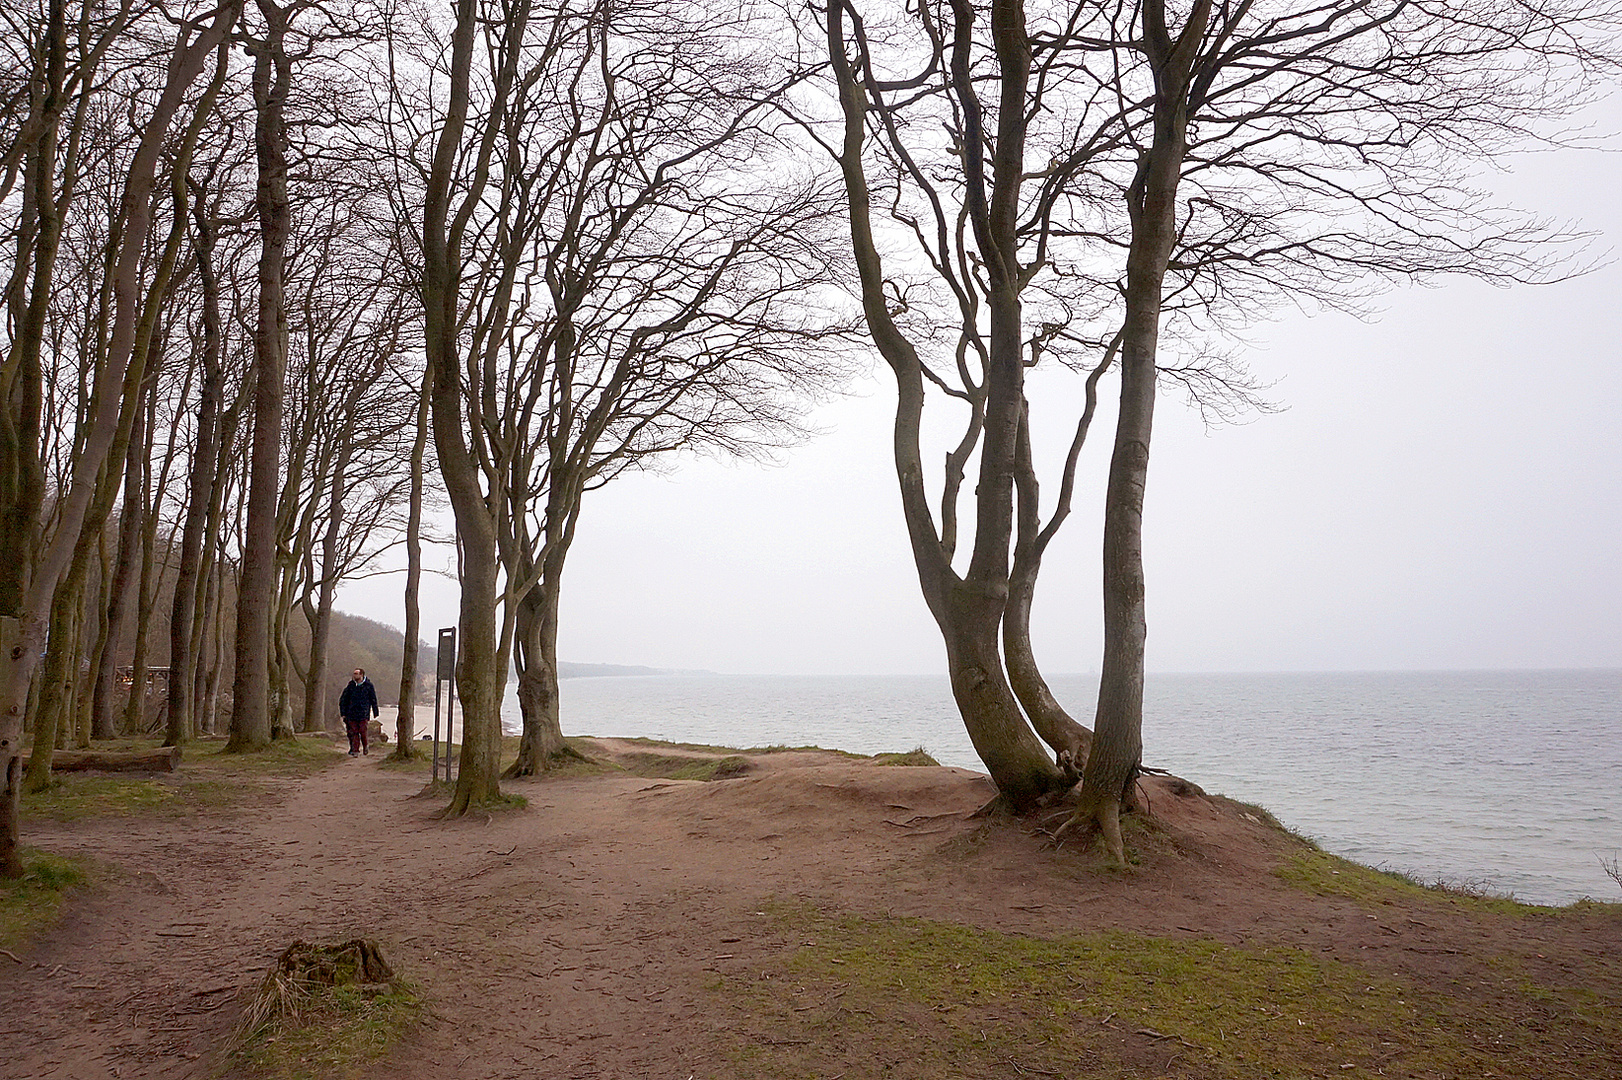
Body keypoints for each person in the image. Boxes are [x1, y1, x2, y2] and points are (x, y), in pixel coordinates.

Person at [338, 668, 379, 756]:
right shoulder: (350, 686)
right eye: (354, 674)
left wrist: (375, 711)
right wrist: (343, 713)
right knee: (354, 732)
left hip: (363, 713)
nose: (354, 675)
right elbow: (343, 700)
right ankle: (355, 750)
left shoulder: (368, 686)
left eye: (356, 674)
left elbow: (373, 699)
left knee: (363, 731)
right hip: (351, 713)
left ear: (361, 675)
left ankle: (365, 746)